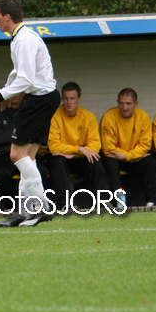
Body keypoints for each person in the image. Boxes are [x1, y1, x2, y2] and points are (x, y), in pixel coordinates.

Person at [0, 0, 60, 228]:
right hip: (43, 98)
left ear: (7, 17)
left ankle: (42, 207)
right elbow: (18, 73)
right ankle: (25, 211)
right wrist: (8, 93)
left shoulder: (24, 40)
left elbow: (26, 79)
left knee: (16, 155)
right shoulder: (21, 37)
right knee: (28, 158)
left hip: (39, 100)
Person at [48, 82, 110, 213]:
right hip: (63, 159)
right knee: (57, 161)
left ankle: (104, 201)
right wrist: (79, 149)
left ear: (79, 99)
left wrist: (75, 153)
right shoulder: (54, 116)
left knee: (95, 160)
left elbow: (95, 145)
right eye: (66, 98)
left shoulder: (88, 116)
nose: (68, 102)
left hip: (79, 158)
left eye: (72, 98)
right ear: (62, 99)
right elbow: (54, 147)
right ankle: (65, 204)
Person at [100, 88, 156, 207]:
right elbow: (107, 147)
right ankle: (118, 201)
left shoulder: (143, 117)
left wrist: (127, 156)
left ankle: (151, 202)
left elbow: (145, 145)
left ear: (136, 104)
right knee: (109, 162)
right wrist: (127, 156)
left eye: (128, 104)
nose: (124, 107)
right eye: (121, 103)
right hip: (117, 157)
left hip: (133, 158)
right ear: (117, 102)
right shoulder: (108, 116)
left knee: (151, 163)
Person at [0, 94, 23, 199]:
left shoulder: (26, 110)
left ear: (23, 93)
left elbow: (32, 135)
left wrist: (9, 135)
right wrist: (18, 136)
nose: (14, 94)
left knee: (40, 170)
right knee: (2, 173)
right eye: (12, 91)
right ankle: (8, 206)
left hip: (24, 154)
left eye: (17, 91)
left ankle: (36, 204)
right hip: (2, 155)